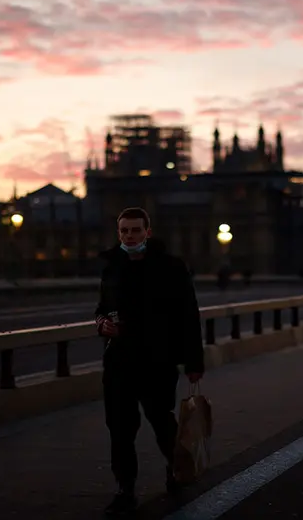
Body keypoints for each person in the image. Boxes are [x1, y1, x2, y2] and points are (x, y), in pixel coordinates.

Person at [95, 207, 205, 516]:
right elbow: (101, 308)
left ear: (148, 232)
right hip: (119, 361)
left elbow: (188, 315)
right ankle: (125, 489)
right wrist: (102, 324)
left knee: (161, 421)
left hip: (158, 360)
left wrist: (194, 362)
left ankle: (175, 467)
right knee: (120, 428)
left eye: (135, 230)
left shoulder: (171, 267)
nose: (129, 236)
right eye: (124, 231)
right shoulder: (112, 267)